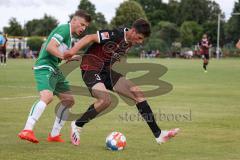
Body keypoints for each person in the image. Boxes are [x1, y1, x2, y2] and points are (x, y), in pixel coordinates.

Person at [64, 19, 180, 146]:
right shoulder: (115, 34)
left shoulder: (128, 42)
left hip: (107, 71)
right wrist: (72, 52)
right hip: (90, 68)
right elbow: (89, 37)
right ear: (133, 31)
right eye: (139, 38)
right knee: (105, 100)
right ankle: (77, 124)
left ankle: (159, 135)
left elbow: (100, 52)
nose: (140, 42)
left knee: (137, 93)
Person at [18, 10, 91, 144]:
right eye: (82, 24)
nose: (83, 28)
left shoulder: (69, 36)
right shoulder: (64, 29)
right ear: (74, 20)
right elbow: (50, 47)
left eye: (85, 26)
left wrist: (69, 57)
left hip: (55, 69)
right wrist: (62, 56)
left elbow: (46, 45)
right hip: (46, 67)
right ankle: (27, 129)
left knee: (68, 100)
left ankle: (54, 135)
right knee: (47, 97)